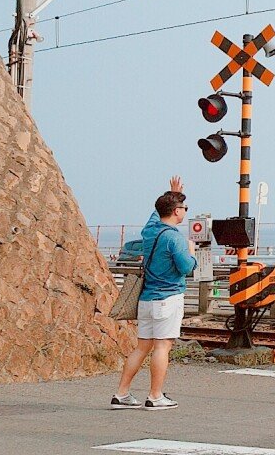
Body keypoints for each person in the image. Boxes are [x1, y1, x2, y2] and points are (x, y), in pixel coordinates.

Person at [112, 176, 197, 411]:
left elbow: (155, 215)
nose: (185, 212)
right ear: (176, 211)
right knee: (162, 347)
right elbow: (186, 268)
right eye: (184, 208)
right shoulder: (174, 238)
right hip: (167, 299)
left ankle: (122, 394)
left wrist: (170, 193)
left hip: (147, 299)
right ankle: (155, 395)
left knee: (142, 347)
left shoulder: (150, 231)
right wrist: (191, 252)